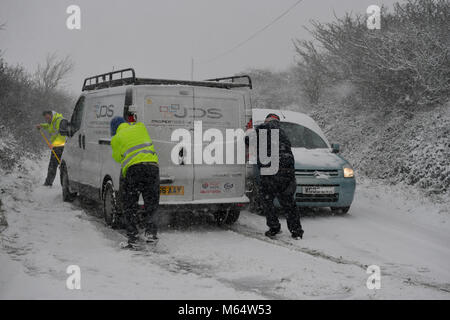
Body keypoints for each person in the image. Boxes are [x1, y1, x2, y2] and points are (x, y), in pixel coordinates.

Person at [110, 116, 160, 248]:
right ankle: (151, 234)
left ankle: (133, 238)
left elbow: (117, 158)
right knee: (151, 203)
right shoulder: (140, 127)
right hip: (152, 168)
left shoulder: (116, 138)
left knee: (130, 205)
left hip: (134, 171)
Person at [253, 113, 304, 240]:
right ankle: (296, 231)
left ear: (267, 120)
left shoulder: (263, 129)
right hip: (287, 173)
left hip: (271, 172)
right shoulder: (283, 134)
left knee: (267, 201)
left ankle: (274, 227)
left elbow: (247, 140)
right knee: (289, 203)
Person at [36, 111, 66, 186]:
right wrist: (41, 125)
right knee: (55, 165)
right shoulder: (53, 121)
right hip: (57, 146)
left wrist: (54, 144)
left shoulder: (58, 121)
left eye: (48, 118)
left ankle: (49, 183)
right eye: (45, 119)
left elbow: (61, 135)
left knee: (54, 165)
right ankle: (51, 183)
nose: (47, 120)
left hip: (61, 146)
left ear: (51, 115)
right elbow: (49, 126)